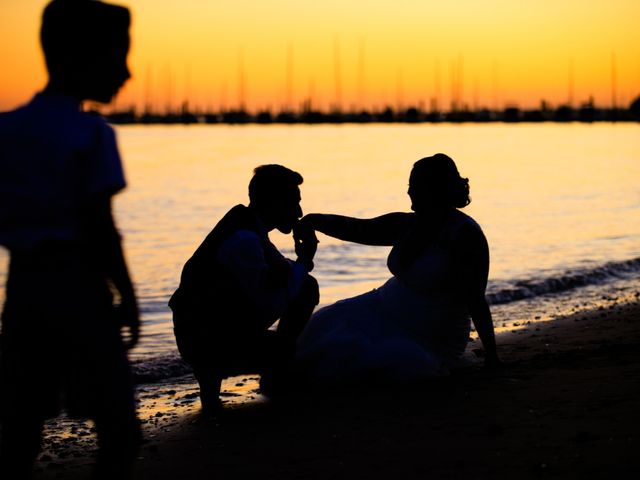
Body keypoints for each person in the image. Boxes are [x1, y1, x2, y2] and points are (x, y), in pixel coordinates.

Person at [0, 1, 140, 478]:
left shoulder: (8, 129)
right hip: (79, 290)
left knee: (22, 422)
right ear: (84, 59)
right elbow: (101, 227)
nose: (127, 73)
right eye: (119, 58)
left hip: (22, 290)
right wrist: (128, 293)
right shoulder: (91, 134)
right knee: (118, 426)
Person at [296, 153, 500, 385]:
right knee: (325, 328)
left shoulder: (465, 234)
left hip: (432, 332)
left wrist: (492, 356)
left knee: (379, 360)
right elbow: (360, 229)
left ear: (434, 190)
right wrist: (313, 221)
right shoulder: (408, 223)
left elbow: (475, 299)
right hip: (384, 307)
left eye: (415, 186)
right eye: (409, 185)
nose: (409, 192)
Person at [169, 165, 319, 413]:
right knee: (305, 287)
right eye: (294, 203)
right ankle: (275, 361)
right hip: (206, 342)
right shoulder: (244, 240)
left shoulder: (246, 225)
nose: (300, 212)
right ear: (273, 202)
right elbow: (267, 303)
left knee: (297, 281)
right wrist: (304, 262)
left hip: (205, 332)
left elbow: (278, 272)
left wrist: (300, 263)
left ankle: (221, 383)